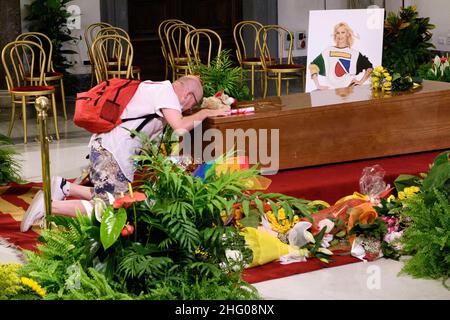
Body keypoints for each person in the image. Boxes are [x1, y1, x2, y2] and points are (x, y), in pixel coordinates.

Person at [20, 75, 229, 232]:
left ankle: (63, 187)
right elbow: (181, 127)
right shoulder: (167, 94)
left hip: (106, 148)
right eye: (194, 103)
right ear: (188, 95)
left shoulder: (154, 88)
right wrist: (206, 112)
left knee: (116, 196)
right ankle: (49, 206)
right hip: (113, 153)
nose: (189, 108)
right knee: (109, 209)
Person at [309, 22, 373, 90]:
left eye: (343, 32)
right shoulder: (328, 51)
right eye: (338, 33)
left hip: (349, 91)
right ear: (335, 35)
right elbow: (313, 66)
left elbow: (369, 68)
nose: (340, 35)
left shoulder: (355, 54)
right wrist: (318, 85)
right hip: (330, 91)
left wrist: (361, 82)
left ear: (347, 34)